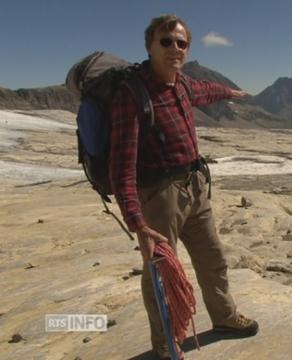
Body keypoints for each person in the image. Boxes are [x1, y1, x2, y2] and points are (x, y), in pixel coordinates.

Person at [109, 14, 258, 359]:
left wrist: (233, 92)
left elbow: (209, 91)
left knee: (213, 258)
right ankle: (164, 342)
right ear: (149, 46)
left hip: (195, 186)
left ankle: (224, 317)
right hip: (160, 196)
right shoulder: (131, 95)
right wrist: (138, 224)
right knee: (162, 271)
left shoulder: (184, 84)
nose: (174, 48)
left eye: (181, 43)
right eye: (166, 41)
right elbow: (121, 168)